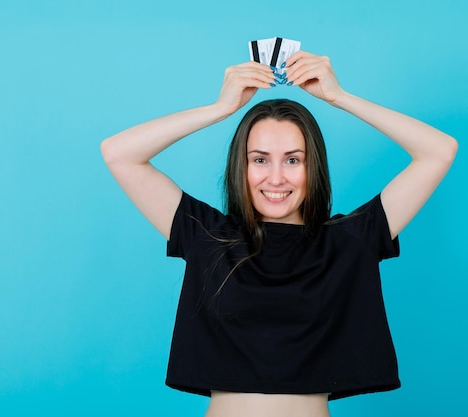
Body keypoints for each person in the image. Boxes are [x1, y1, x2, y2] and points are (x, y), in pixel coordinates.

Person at [100, 51, 457, 417]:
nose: (275, 178)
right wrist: (220, 108)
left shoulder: (350, 240)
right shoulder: (209, 236)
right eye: (259, 159)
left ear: (311, 165)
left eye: (292, 159)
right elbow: (119, 153)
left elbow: (440, 151)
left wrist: (340, 97)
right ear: (241, 166)